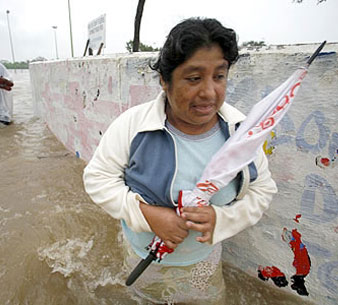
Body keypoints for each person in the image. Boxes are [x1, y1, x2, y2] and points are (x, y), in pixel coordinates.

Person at [83, 17, 277, 304]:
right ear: (165, 80)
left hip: (204, 263)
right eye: (194, 78)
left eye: (219, 76)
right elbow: (97, 178)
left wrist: (220, 219)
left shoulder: (239, 132)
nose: (209, 92)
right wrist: (148, 215)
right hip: (143, 257)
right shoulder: (134, 126)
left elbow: (264, 189)